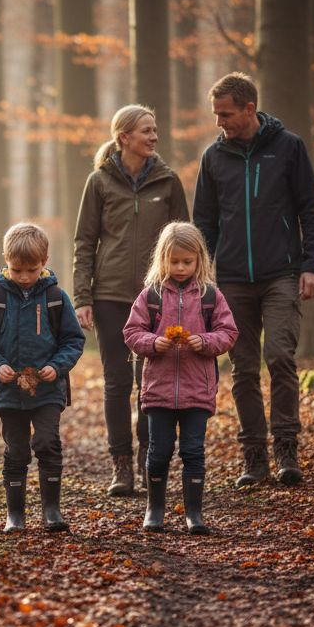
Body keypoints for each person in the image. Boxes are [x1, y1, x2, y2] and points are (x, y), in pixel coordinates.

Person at [193, 72, 314, 486]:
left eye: (225, 114)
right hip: (232, 279)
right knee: (244, 368)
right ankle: (253, 456)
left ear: (249, 109)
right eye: (216, 114)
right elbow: (204, 223)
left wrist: (312, 265)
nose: (219, 122)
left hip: (282, 274)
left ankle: (286, 448)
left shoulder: (288, 147)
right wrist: (203, 277)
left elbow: (311, 209)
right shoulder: (213, 158)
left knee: (280, 357)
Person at [72, 105, 189, 497]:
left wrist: (187, 294)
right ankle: (120, 464)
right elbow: (84, 242)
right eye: (146, 131)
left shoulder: (169, 182)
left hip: (157, 297)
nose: (154, 137)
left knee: (150, 384)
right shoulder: (99, 182)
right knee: (117, 382)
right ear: (124, 137)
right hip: (109, 296)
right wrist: (82, 296)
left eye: (155, 130)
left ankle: (147, 460)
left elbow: (186, 242)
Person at [0, 223, 86, 534]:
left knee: (47, 442)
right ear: (6, 260)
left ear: (44, 262)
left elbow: (73, 340)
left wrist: (57, 367)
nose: (23, 276)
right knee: (17, 449)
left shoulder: (55, 298)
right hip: (8, 391)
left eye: (31, 270)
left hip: (48, 389)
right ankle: (15, 514)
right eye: (16, 269)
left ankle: (52, 510)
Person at [123, 222, 238, 534]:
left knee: (193, 451)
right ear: (162, 259)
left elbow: (228, 332)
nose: (181, 267)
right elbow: (132, 331)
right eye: (174, 261)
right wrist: (152, 343)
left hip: (197, 389)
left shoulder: (210, 296)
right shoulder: (151, 296)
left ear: (199, 259)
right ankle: (155, 509)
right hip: (159, 390)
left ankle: (194, 514)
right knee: (158, 451)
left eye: (187, 261)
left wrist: (206, 341)